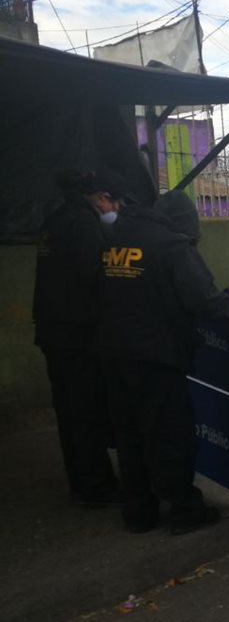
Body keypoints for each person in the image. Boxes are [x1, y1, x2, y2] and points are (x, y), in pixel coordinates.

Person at [94, 187, 229, 533]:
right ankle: (184, 509)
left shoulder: (115, 238)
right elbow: (205, 302)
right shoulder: (172, 245)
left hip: (113, 352)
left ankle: (139, 511)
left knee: (129, 433)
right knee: (170, 434)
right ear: (187, 226)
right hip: (156, 357)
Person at [32, 170, 121, 507]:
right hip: (78, 333)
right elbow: (96, 275)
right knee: (86, 410)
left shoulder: (54, 220)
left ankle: (80, 480)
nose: (111, 206)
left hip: (52, 330)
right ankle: (97, 486)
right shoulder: (83, 225)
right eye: (109, 199)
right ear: (96, 197)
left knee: (68, 410)